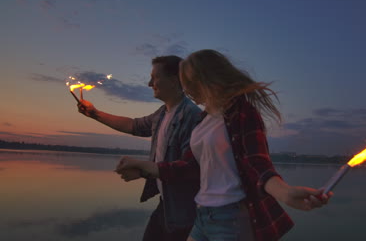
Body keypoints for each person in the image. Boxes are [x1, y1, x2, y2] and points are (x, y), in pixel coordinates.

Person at [116, 49, 333, 241]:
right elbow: (187, 167)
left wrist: (285, 193)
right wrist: (145, 167)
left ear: (209, 77)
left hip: (231, 218)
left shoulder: (241, 112)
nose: (188, 88)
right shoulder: (204, 120)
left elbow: (257, 163)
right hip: (202, 215)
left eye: (191, 81)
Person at [78, 55, 202, 241]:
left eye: (155, 77)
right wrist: (95, 114)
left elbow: (188, 169)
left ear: (174, 80)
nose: (149, 83)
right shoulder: (162, 114)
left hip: (183, 210)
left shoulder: (192, 116)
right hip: (166, 205)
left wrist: (143, 168)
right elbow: (134, 126)